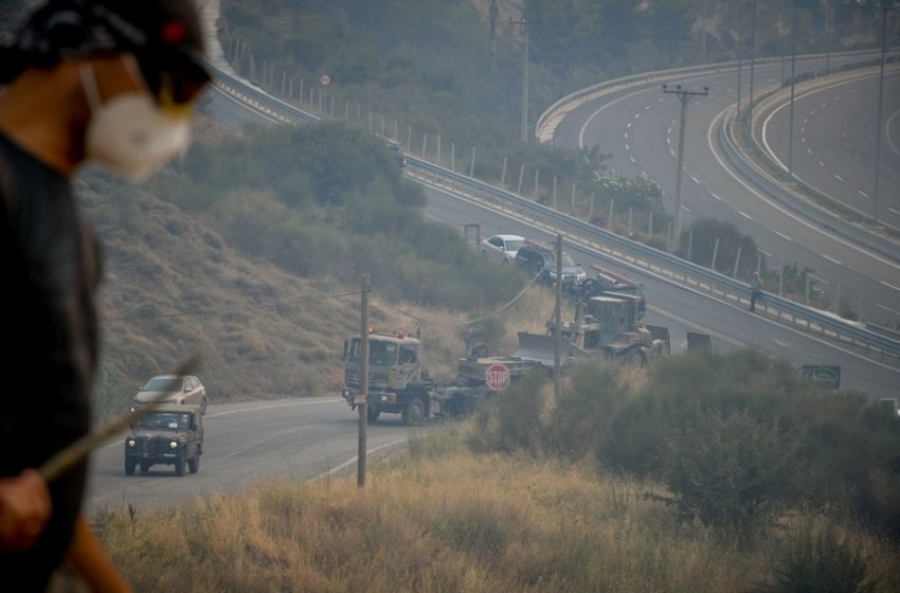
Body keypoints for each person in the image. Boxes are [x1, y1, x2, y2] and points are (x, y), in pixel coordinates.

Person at [0, 1, 211, 591]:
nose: (174, 122)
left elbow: (47, 490)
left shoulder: (80, 241)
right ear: (92, 50)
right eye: (172, 87)